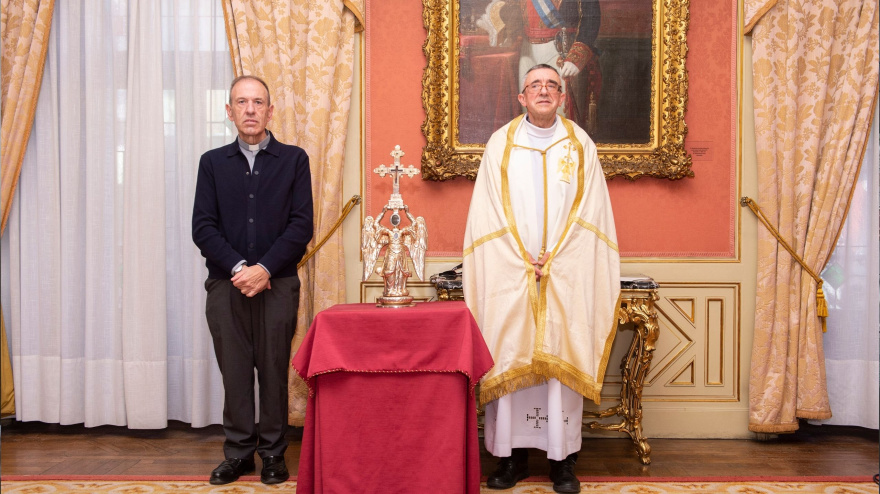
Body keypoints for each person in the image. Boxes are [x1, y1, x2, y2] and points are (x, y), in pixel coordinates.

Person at [462, 64, 619, 494]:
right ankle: (509, 460)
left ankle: (562, 462)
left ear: (563, 97)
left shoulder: (580, 144)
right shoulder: (501, 144)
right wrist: (518, 258)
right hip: (512, 271)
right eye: (535, 85)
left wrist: (558, 258)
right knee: (511, 358)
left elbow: (592, 212)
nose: (544, 91)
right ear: (522, 97)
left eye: (552, 85)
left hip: (564, 271)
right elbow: (487, 212)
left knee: (559, 371)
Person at [192, 75, 313, 485]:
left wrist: (264, 269)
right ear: (229, 111)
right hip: (226, 286)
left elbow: (301, 226)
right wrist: (240, 268)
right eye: (241, 102)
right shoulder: (212, 163)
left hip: (278, 285)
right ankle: (239, 453)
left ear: (270, 111)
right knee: (235, 370)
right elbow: (203, 227)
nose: (250, 110)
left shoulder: (294, 160)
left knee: (274, 370)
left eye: (258, 102)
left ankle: (274, 453)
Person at [478, 0, 602, 132]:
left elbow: (591, 16)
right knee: (529, 112)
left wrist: (576, 57)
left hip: (560, 50)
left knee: (558, 114)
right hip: (527, 50)